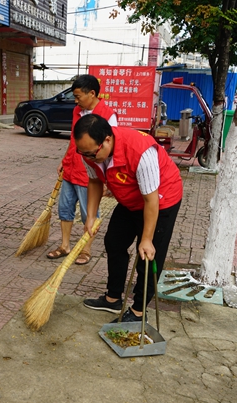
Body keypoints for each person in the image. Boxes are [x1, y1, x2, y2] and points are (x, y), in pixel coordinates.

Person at [76, 114, 183, 323]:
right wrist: (90, 216)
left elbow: (151, 200)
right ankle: (113, 297)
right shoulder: (89, 152)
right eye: (84, 153)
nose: (89, 157)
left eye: (92, 153)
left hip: (161, 199)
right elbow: (95, 182)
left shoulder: (140, 151)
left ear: (107, 139)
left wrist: (146, 238)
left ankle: (139, 311)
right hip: (131, 199)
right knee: (114, 242)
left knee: (147, 255)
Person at [48, 74, 117, 266]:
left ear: (92, 93)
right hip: (71, 168)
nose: (76, 101)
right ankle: (65, 245)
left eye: (78, 96)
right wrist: (65, 160)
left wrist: (108, 180)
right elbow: (73, 139)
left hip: (91, 175)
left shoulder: (108, 115)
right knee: (65, 208)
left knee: (90, 214)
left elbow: (111, 150)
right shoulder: (77, 111)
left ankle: (86, 250)